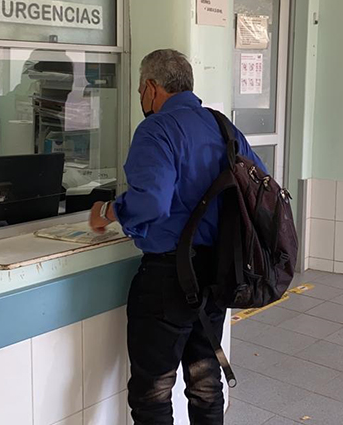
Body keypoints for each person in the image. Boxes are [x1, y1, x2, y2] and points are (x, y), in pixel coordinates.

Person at [89, 49, 266, 425]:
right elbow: (258, 186)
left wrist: (108, 212)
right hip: (218, 273)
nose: (141, 96)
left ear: (152, 88)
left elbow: (150, 202)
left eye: (140, 89)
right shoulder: (223, 127)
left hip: (167, 279)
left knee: (152, 394)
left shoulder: (156, 129)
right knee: (206, 383)